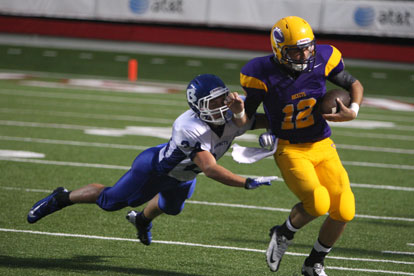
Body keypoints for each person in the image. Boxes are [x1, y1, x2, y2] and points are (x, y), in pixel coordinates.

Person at [27, 73, 277, 246]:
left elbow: (265, 120)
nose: (221, 106)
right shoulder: (188, 126)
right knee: (110, 201)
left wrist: (285, 128)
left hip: (185, 174)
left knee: (172, 208)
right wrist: (246, 182)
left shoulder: (236, 108)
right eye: (212, 102)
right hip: (156, 170)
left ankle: (141, 219)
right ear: (197, 108)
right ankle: (61, 197)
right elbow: (210, 169)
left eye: (222, 98)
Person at [226, 16, 364, 276]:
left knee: (345, 208)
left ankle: (314, 263)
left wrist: (353, 110)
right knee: (318, 202)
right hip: (290, 148)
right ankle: (283, 233)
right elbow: (246, 121)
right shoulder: (259, 72)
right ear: (279, 50)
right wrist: (238, 112)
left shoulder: (323, 57)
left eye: (308, 47)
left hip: (322, 143)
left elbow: (354, 84)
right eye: (296, 50)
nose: (304, 54)